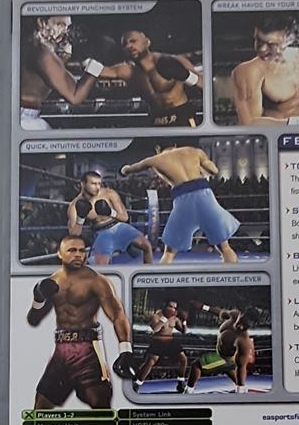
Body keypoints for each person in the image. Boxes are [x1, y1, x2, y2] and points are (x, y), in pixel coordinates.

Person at [26, 234, 130, 409]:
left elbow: (117, 314)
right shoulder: (53, 282)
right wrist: (38, 298)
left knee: (101, 407)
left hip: (88, 350)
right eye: (72, 250)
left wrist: (125, 350)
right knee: (40, 408)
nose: (78, 255)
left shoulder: (96, 281)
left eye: (82, 251)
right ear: (60, 253)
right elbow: (33, 320)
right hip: (61, 351)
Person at [120, 145, 239, 265]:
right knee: (225, 247)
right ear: (175, 146)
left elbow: (132, 168)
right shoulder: (193, 151)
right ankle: (234, 274)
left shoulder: (155, 160)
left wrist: (125, 170)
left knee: (169, 252)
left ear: (159, 150)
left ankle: (161, 276)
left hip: (183, 200)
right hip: (205, 196)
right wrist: (199, 170)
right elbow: (214, 171)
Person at [86, 29, 202, 125]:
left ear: (147, 42)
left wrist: (186, 76)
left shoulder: (173, 60)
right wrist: (89, 59)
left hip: (182, 116)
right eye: (125, 44)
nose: (129, 46)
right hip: (156, 120)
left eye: (133, 41)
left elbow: (203, 83)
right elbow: (95, 69)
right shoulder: (127, 71)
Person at [228, 16, 299, 125]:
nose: (262, 49)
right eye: (258, 40)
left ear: (289, 39)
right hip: (274, 135)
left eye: (271, 44)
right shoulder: (249, 71)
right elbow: (249, 124)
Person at [19, 15, 102, 127]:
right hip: (25, 119)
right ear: (41, 22)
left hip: (23, 115)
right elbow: (75, 96)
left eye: (67, 27)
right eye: (60, 24)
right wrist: (96, 67)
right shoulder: (41, 52)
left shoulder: (30, 44)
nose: (65, 32)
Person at [137, 301, 193, 389]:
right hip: (158, 341)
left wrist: (184, 321)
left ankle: (181, 382)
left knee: (183, 359)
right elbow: (155, 329)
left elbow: (183, 331)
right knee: (150, 362)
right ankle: (137, 383)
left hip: (170, 342)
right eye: (170, 306)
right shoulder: (156, 316)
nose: (172, 309)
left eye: (174, 308)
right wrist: (164, 318)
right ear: (165, 306)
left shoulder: (174, 318)